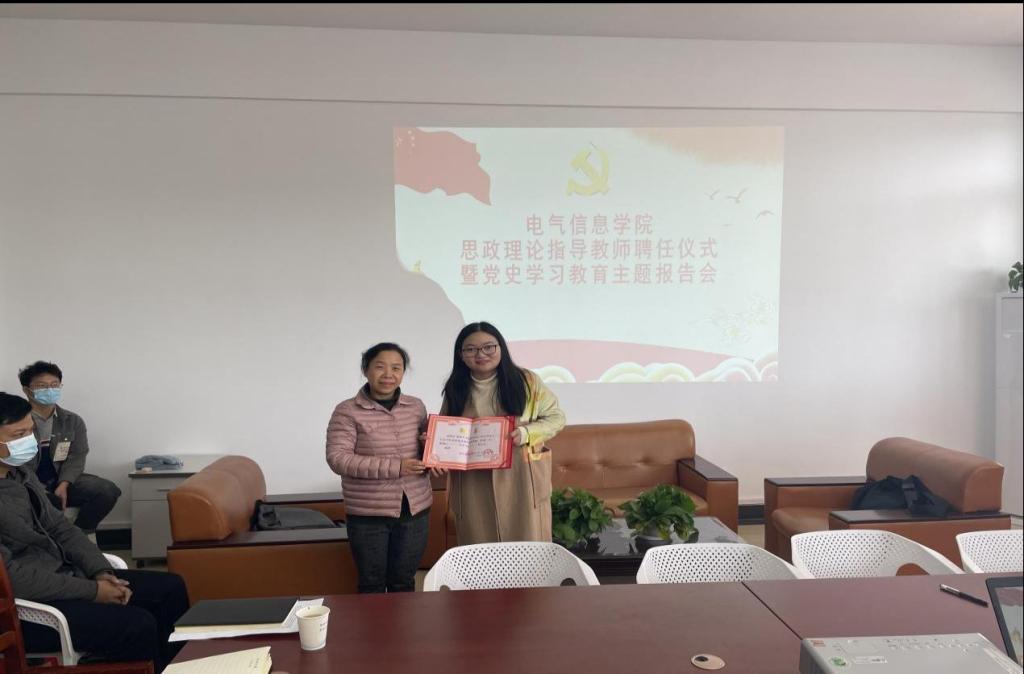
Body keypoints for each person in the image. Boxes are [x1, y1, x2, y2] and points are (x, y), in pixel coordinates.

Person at [0, 392, 188, 673]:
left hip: (66, 576)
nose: (29, 441)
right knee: (137, 624)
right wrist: (93, 592)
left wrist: (100, 571)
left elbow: (61, 527)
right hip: (28, 608)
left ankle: (181, 667)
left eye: (30, 431)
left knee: (169, 588)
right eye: (19, 435)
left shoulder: (20, 474)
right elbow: (12, 577)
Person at [325, 343, 441, 593]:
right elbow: (338, 458)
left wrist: (434, 455)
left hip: (415, 509)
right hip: (369, 513)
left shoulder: (416, 407)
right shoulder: (347, 411)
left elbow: (424, 446)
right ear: (365, 370)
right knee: (372, 584)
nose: (388, 374)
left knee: (404, 582)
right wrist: (396, 467)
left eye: (396, 368)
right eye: (380, 367)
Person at [441, 322, 566, 545]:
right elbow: (446, 428)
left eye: (488, 347)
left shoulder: (527, 381)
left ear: (501, 348)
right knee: (479, 544)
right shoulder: (456, 387)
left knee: (527, 541)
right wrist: (435, 443)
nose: (481, 354)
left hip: (521, 473)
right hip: (473, 479)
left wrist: (527, 432)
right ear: (461, 355)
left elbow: (556, 417)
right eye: (471, 349)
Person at [18, 361, 121, 535]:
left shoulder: (72, 421)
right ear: (27, 390)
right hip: (27, 482)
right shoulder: (14, 421)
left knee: (107, 491)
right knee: (48, 502)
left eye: (54, 385)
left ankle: (79, 534)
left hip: (61, 478)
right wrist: (38, 488)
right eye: (42, 386)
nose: (49, 390)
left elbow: (77, 456)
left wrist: (64, 483)